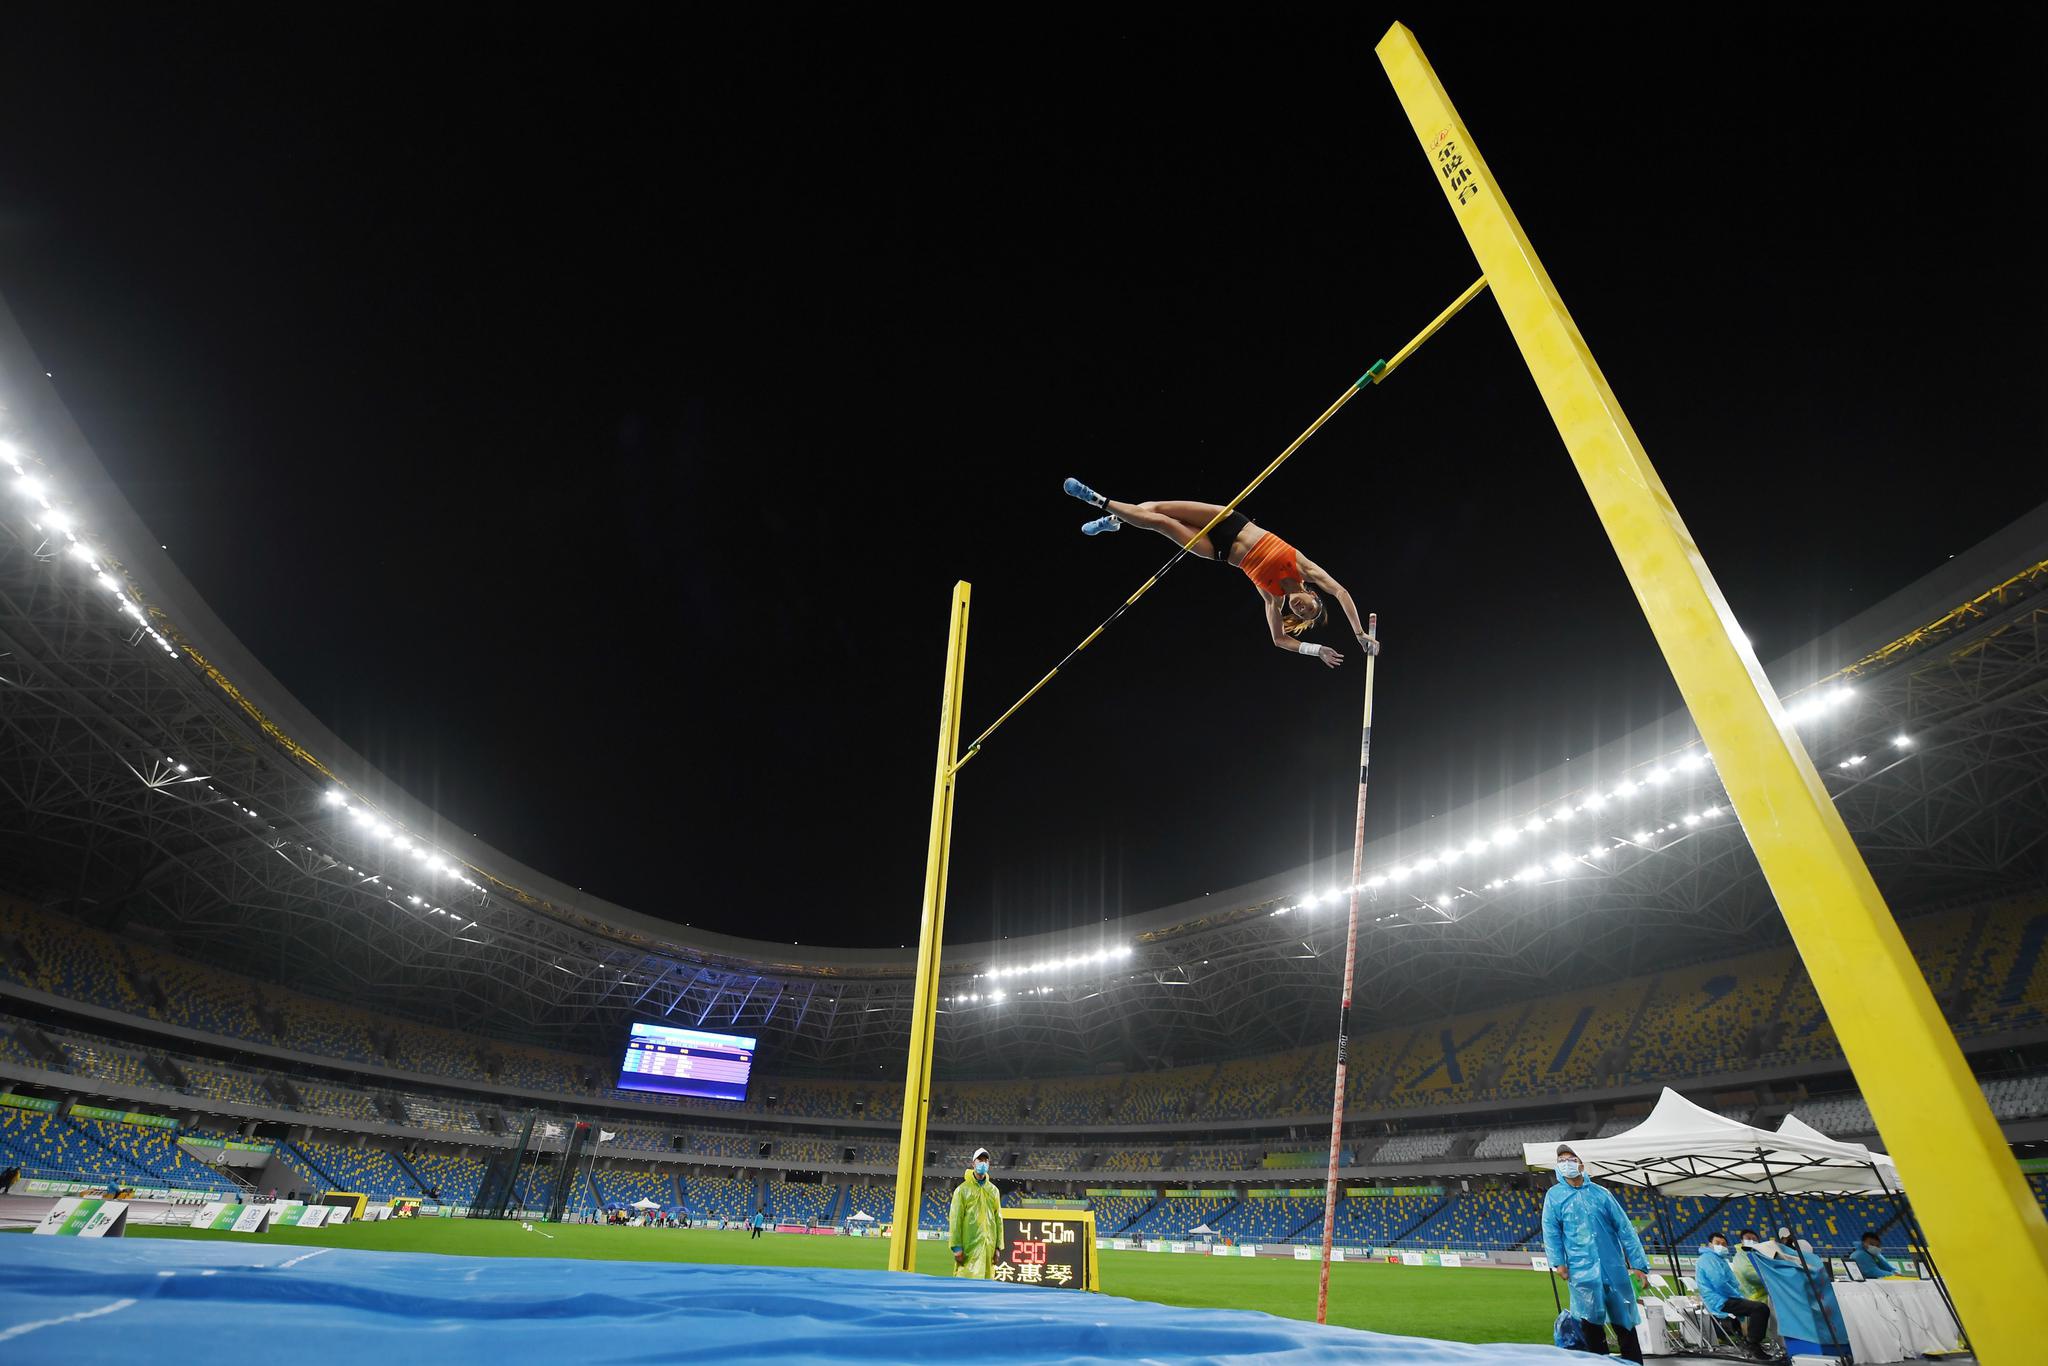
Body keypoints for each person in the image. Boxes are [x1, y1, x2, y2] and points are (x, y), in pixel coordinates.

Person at [1062, 479, 1377, 667]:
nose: (1301, 608)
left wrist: (1316, 649)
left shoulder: (1272, 599)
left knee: (1159, 523)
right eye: (1309, 606)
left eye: (1301, 613)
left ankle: (1098, 501)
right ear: (1311, 593)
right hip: (1232, 522)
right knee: (1155, 507)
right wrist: (1359, 633)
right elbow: (1341, 592)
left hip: (1218, 551)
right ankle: (1117, 521)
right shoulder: (1304, 567)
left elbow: (1279, 640)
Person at [1541, 1143, 1651, 1362]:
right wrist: (1558, 1262)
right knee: (1592, 1327)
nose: (1566, 1164)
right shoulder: (1554, 1196)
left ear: (1581, 1164)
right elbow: (1550, 1230)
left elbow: (1625, 1229)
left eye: (1570, 1159)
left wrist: (1638, 1264)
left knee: (1625, 1325)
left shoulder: (1602, 1194)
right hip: (1581, 1271)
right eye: (1561, 1160)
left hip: (1614, 1268)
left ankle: (1634, 1363)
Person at [1696, 1232, 1774, 1360]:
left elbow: (1729, 1281)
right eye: (1717, 1243)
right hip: (1719, 1300)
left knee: (1758, 1308)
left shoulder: (1717, 1258)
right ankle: (1752, 1344)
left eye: (1724, 1244)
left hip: (1722, 1298)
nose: (1721, 1246)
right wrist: (1737, 1296)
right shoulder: (1708, 1259)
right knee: (1760, 1308)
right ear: (1710, 1244)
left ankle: (1749, 1341)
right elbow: (1719, 1283)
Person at [949, 1147, 1002, 1280]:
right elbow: (956, 1220)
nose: (983, 1163)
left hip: (988, 1249)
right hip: (968, 1250)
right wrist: (956, 1248)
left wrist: (998, 1247)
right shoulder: (962, 1190)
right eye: (980, 1160)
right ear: (973, 1163)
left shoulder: (993, 1191)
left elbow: (998, 1220)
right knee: (965, 1286)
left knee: (985, 1290)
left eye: (986, 1160)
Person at [1732, 1228, 1770, 1304]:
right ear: (1742, 1241)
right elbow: (1749, 1274)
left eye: (1754, 1239)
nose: (1752, 1241)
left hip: (1764, 1295)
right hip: (1754, 1298)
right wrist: (1771, 1279)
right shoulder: (1741, 1256)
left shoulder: (1757, 1254)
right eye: (1748, 1238)